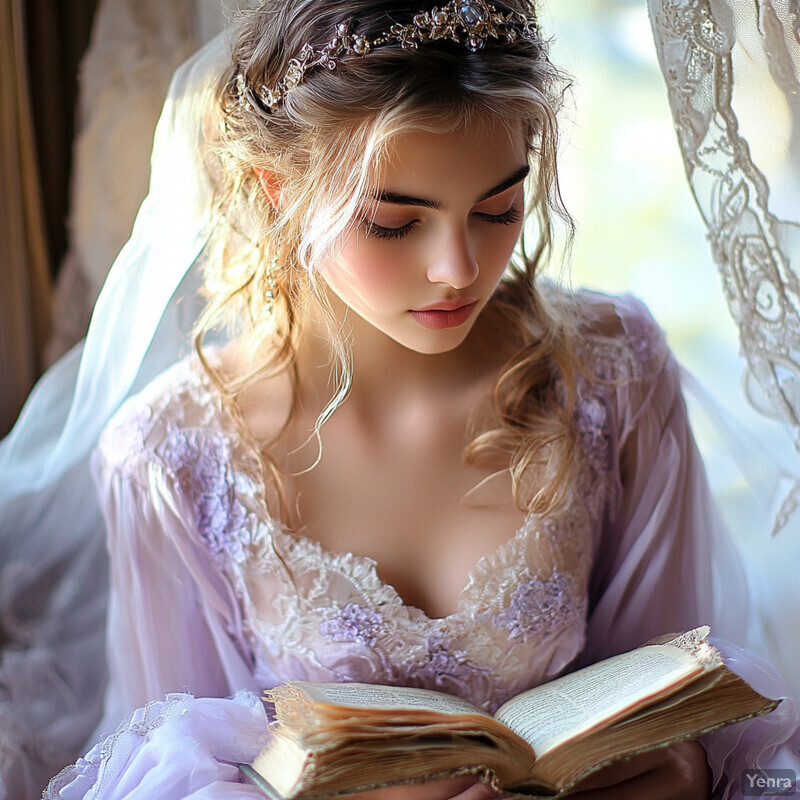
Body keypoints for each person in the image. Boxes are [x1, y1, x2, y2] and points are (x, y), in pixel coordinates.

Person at [2, 0, 798, 798]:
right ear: (279, 189)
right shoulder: (172, 455)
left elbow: (677, 696)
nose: (457, 266)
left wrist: (681, 769)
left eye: (497, 207)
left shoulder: (611, 375)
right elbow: (173, 766)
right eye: (392, 223)